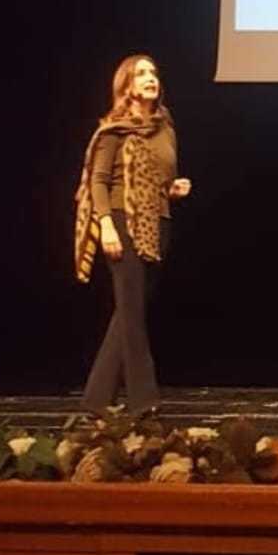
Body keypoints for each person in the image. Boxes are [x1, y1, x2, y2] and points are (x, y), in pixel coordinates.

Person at [74, 54, 191, 415]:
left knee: (129, 311)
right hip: (122, 220)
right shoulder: (114, 131)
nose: (150, 78)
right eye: (141, 74)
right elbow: (98, 181)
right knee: (131, 313)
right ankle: (143, 400)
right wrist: (106, 225)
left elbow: (161, 180)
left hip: (157, 222)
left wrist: (173, 189)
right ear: (127, 86)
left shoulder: (166, 128)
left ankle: (96, 399)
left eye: (153, 72)